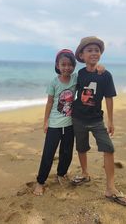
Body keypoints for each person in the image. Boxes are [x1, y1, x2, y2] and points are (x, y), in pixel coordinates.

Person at [71, 36, 126, 206]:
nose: (93, 53)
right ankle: (84, 173)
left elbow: (109, 98)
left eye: (96, 50)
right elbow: (70, 92)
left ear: (100, 54)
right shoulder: (80, 74)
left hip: (97, 120)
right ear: (82, 55)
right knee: (81, 147)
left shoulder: (105, 75)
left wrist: (111, 121)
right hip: (78, 118)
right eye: (89, 50)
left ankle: (110, 188)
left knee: (108, 149)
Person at [33, 49, 77, 196]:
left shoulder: (75, 79)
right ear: (57, 65)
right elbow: (49, 103)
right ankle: (40, 182)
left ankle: (61, 174)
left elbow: (90, 72)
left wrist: (99, 68)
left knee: (67, 152)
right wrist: (45, 121)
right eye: (63, 64)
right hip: (54, 125)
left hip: (70, 124)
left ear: (74, 65)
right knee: (48, 154)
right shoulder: (54, 82)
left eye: (70, 64)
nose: (67, 67)